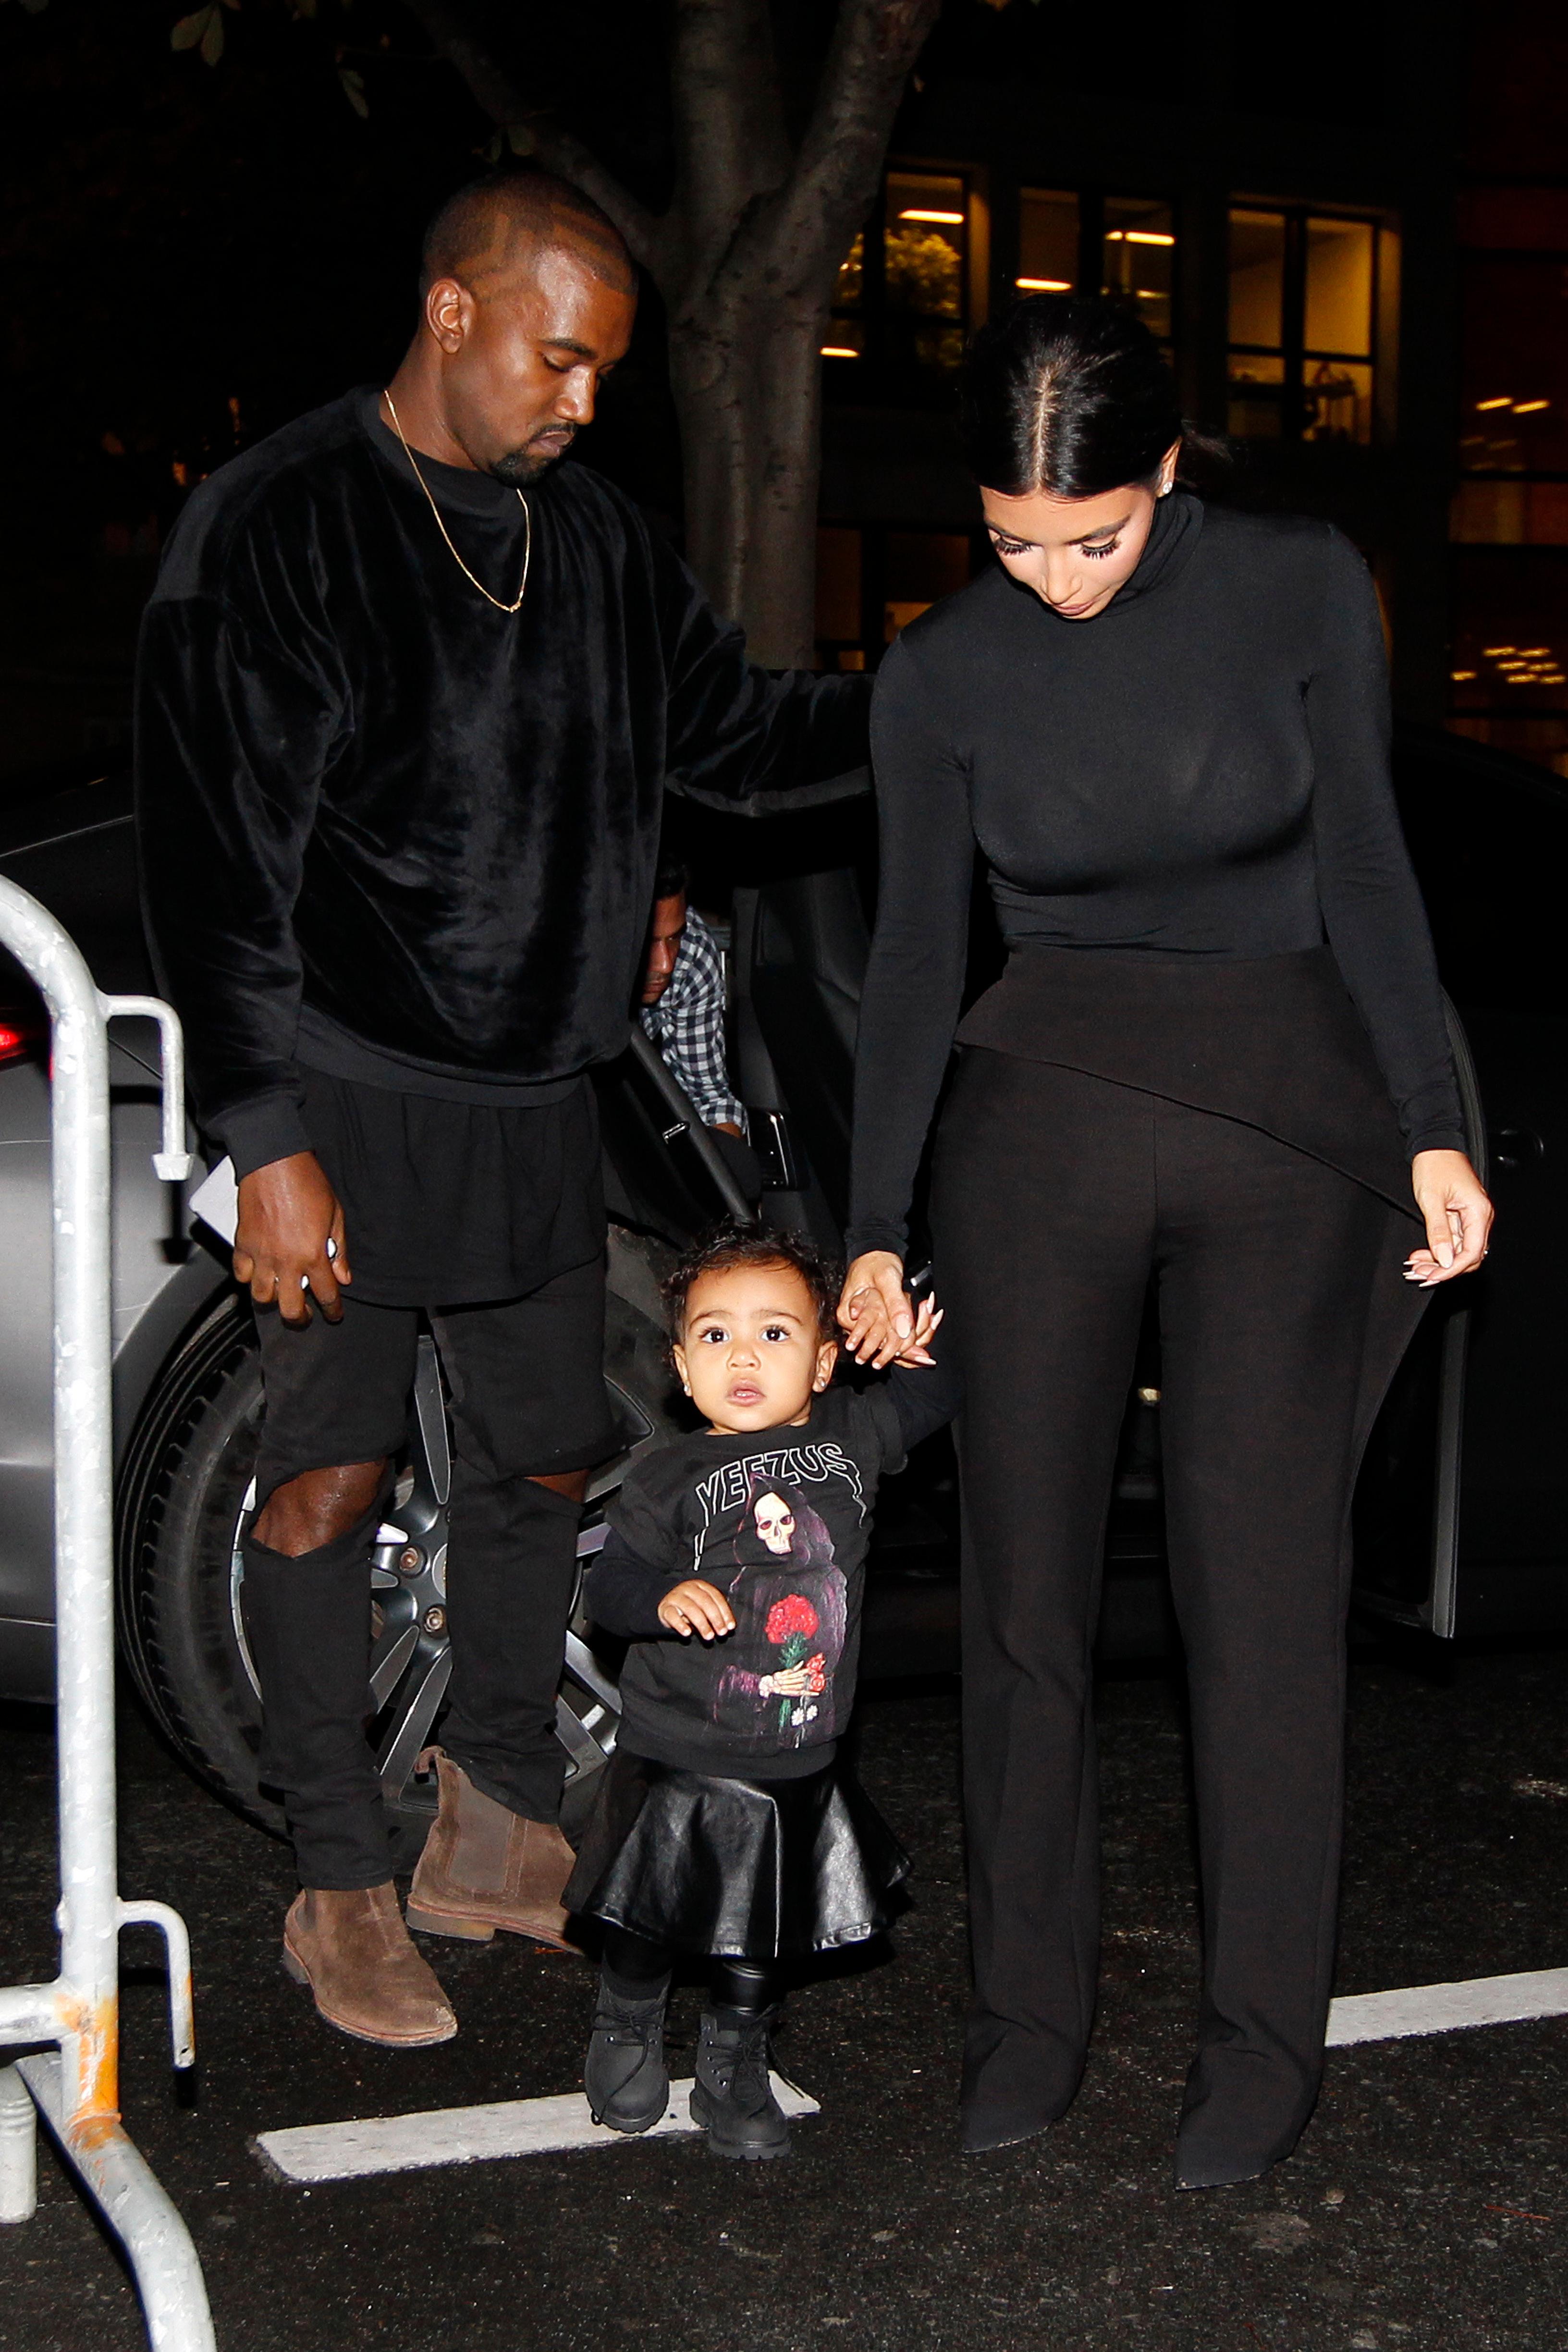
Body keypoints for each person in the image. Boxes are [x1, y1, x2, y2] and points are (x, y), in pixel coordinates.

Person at [134, 167, 868, 2050]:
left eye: (608, 373)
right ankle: (336, 1884)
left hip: (544, 1095)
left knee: (542, 1463)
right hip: (349, 1096)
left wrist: (939, 699)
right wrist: (264, 1129)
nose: (586, 402)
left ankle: (497, 1833)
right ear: (453, 310)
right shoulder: (278, 523)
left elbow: (741, 741)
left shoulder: (598, 542)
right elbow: (214, 861)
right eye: (564, 360)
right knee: (328, 1478)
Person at [837, 294, 1493, 2188]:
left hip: (1288, 1127)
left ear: (1170, 470)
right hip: (1035, 1134)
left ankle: (1262, 2048)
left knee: (1260, 1602)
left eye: (1094, 535)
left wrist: (1434, 1123)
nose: (1050, 577)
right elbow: (907, 959)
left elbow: (1369, 859)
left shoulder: (1297, 590)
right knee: (1024, 1605)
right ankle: (1028, 2027)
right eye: (1011, 540)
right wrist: (874, 1230)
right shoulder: (940, 671)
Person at [564, 1226, 956, 2159]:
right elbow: (605, 1594)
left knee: (761, 1939)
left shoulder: (854, 1436)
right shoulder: (664, 1478)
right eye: (714, 1336)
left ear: (825, 1361)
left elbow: (940, 1394)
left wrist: (920, 1348)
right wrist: (663, 1596)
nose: (743, 1354)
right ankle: (626, 2023)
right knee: (647, 1917)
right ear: (680, 1366)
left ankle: (735, 2061)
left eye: (775, 1335)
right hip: (678, 1753)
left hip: (798, 1753)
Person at [639, 850, 747, 1139]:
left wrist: (731, 1170)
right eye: (649, 940)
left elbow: (707, 1094)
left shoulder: (693, 953)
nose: (666, 964)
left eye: (674, 937)